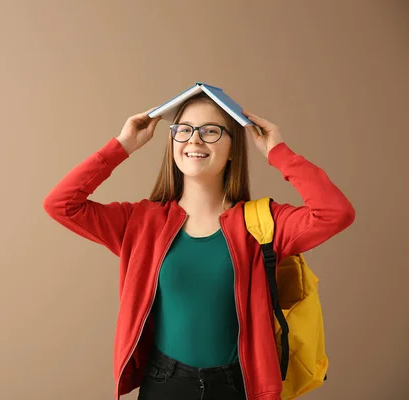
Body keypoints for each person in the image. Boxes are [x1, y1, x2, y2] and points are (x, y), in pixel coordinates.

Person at [43, 93, 355, 400]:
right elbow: (61, 204)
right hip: (164, 383)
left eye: (210, 131)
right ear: (173, 143)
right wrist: (122, 146)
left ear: (233, 148)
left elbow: (334, 213)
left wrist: (278, 152)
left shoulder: (264, 224)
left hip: (239, 386)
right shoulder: (141, 223)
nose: (194, 140)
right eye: (184, 130)